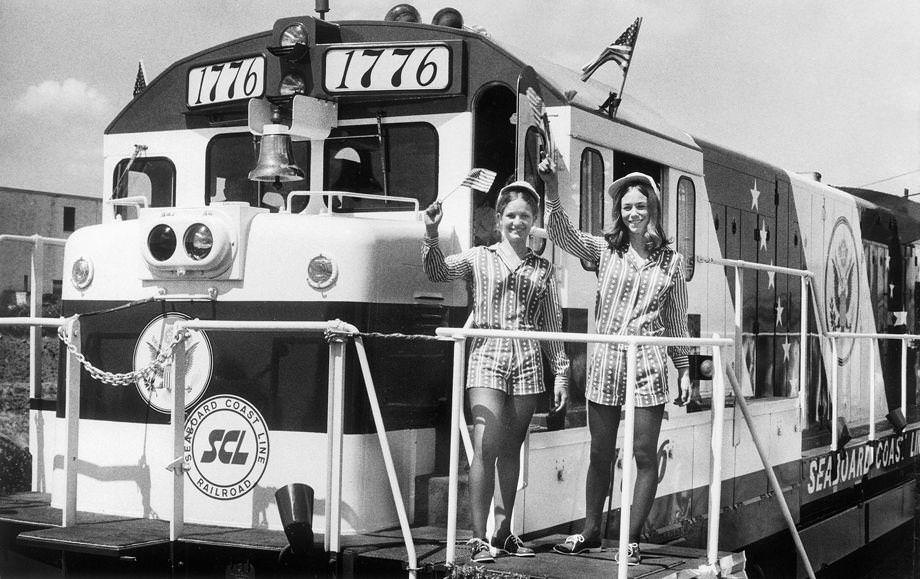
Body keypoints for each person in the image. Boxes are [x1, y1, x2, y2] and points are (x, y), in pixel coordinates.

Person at [541, 163, 691, 566]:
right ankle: (591, 532)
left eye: (641, 206)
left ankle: (630, 538)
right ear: (619, 212)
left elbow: (676, 319)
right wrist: (552, 188)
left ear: (653, 209)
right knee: (600, 452)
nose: (633, 213)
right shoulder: (605, 249)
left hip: (648, 361)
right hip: (606, 359)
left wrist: (684, 366)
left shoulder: (671, 262)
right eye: (627, 207)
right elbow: (562, 235)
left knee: (643, 453)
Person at [421, 180, 570, 563]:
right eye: (510, 215)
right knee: (485, 444)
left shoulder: (543, 268)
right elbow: (436, 271)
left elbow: (552, 324)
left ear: (533, 220)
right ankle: (476, 537)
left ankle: (503, 533)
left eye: (524, 215)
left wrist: (562, 373)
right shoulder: (478, 257)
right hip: (487, 354)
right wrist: (432, 232)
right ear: (499, 219)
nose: (517, 222)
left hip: (528, 358)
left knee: (511, 447)